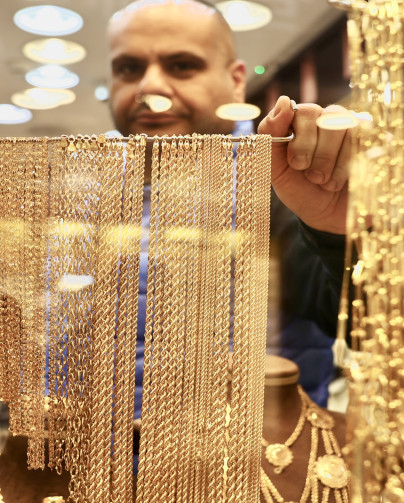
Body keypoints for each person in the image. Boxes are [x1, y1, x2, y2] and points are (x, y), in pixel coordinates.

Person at [106, 0, 351, 409]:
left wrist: (337, 233)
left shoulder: (282, 184)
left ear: (237, 82)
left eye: (182, 66)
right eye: (129, 68)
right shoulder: (81, 190)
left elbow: (358, 321)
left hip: (253, 450)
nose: (150, 88)